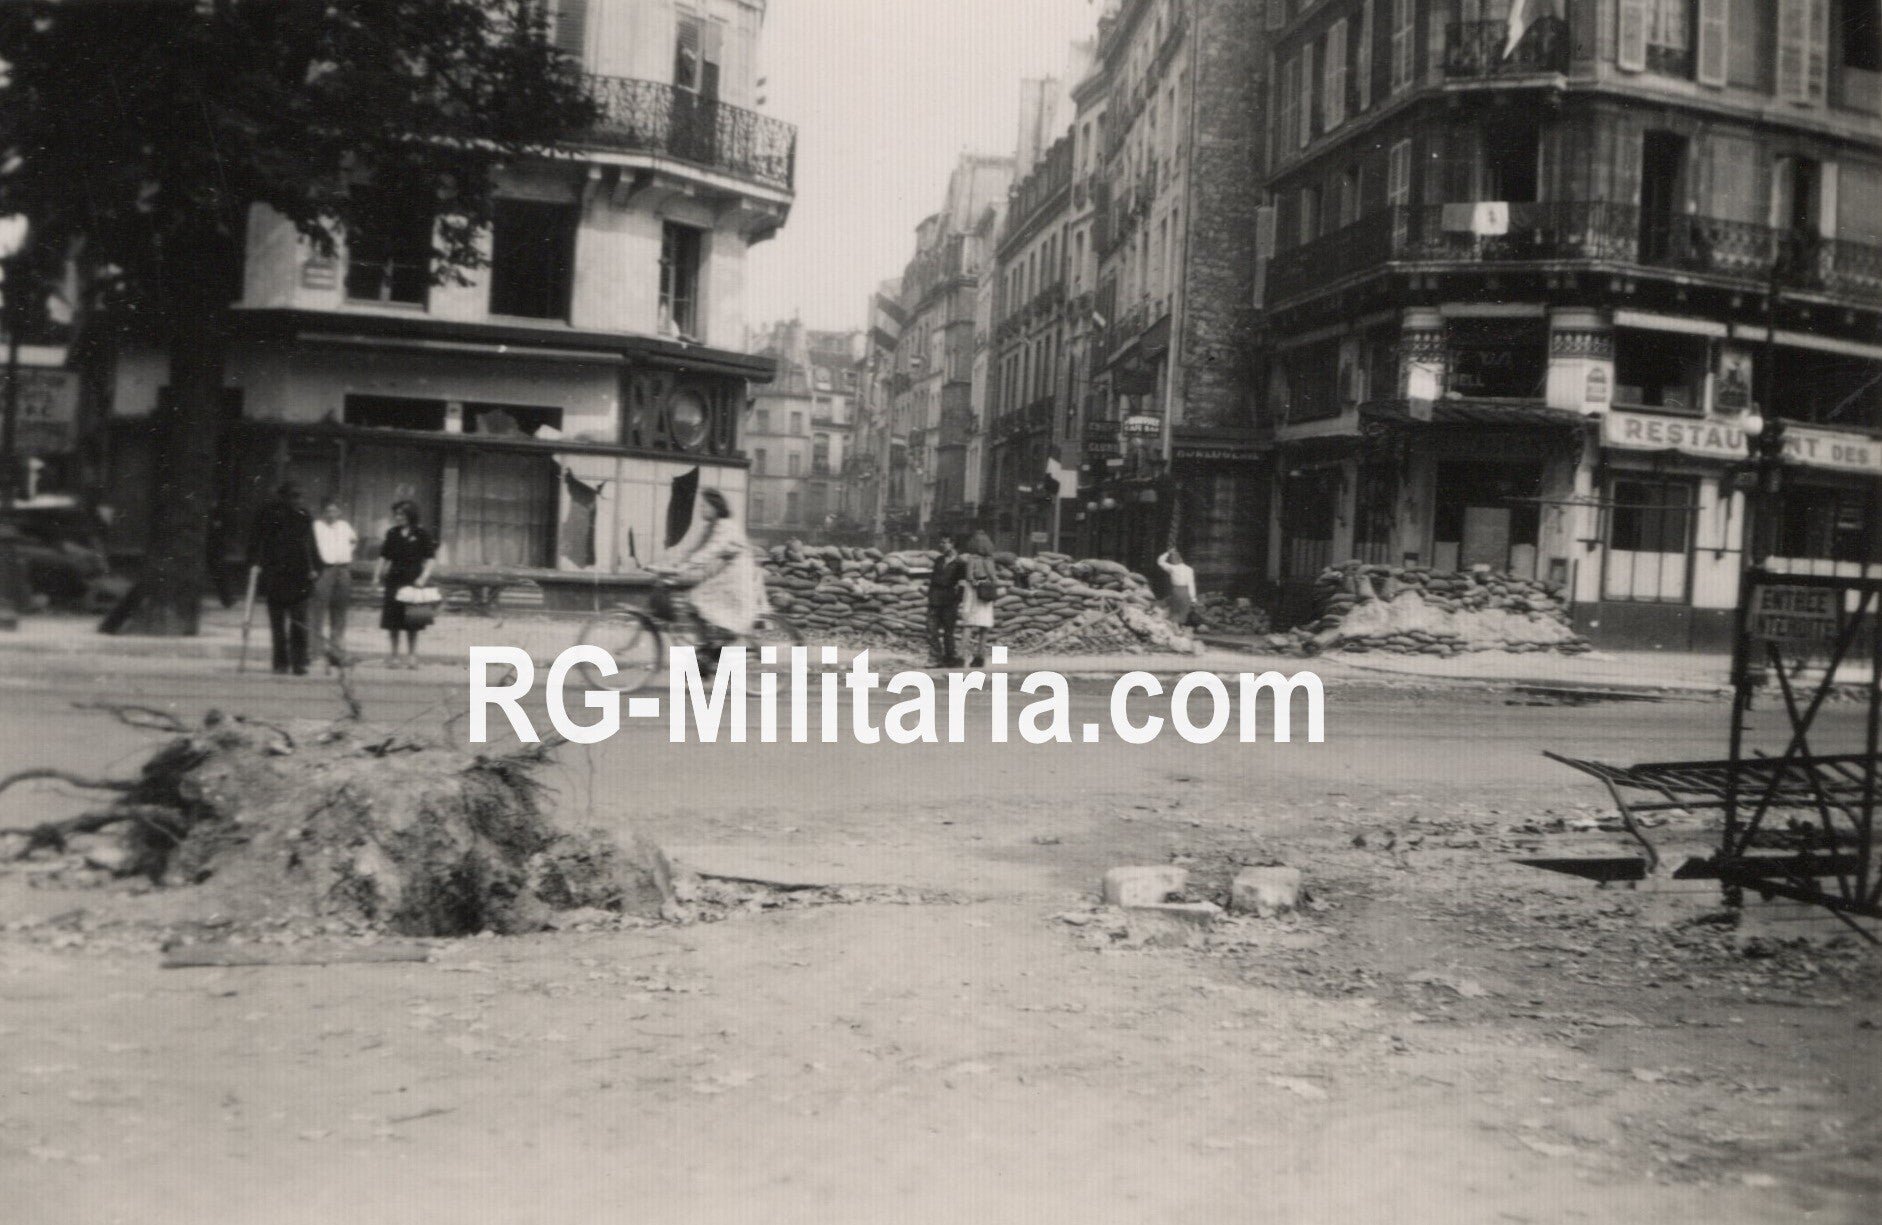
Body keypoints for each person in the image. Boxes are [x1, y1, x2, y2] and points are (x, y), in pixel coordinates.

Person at [674, 488, 759, 677]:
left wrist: (685, 567)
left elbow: (712, 550)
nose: (701, 510)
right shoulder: (710, 527)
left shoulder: (725, 525)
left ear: (715, 507)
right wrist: (673, 563)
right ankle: (711, 650)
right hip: (726, 573)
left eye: (704, 506)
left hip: (736, 575)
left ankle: (713, 652)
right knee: (697, 604)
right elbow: (695, 548)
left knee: (697, 599)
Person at [247, 482, 320, 675]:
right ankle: (280, 663)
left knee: (299, 621)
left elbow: (310, 544)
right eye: (294, 496)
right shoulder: (269, 515)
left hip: (299, 577)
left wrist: (314, 568)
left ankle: (299, 662)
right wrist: (255, 563)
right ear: (284, 497)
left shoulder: (304, 516)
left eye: (300, 496)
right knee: (278, 624)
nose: (298, 500)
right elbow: (256, 540)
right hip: (276, 576)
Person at [373, 500, 437, 669]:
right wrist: (376, 575)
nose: (398, 517)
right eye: (396, 514)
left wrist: (423, 578)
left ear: (410, 515)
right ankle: (394, 655)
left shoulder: (422, 534)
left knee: (413, 621)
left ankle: (412, 656)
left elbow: (430, 559)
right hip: (394, 580)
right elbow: (383, 557)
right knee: (392, 621)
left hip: (414, 581)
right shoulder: (392, 533)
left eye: (402, 514)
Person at [310, 499, 358, 668]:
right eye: (328, 511)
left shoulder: (344, 526)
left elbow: (353, 541)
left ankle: (336, 651)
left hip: (343, 569)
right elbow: (311, 548)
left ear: (339, 512)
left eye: (334, 511)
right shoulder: (316, 526)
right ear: (323, 512)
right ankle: (315, 651)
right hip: (325, 569)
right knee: (318, 609)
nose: (331, 514)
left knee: (340, 610)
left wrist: (347, 553)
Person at [956, 531, 999, 669]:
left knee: (968, 625)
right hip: (986, 594)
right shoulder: (990, 560)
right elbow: (994, 578)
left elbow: (969, 577)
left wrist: (975, 581)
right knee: (984, 627)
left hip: (973, 593)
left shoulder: (971, 559)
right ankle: (980, 657)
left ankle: (961, 656)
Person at [925, 534, 965, 668]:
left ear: (952, 544)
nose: (942, 545)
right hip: (935, 598)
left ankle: (950, 658)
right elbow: (932, 579)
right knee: (931, 630)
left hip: (949, 600)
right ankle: (935, 658)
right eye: (941, 542)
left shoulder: (960, 563)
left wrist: (957, 601)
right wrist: (930, 595)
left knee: (949, 632)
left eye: (945, 542)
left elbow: (962, 584)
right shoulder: (939, 560)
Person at [1158, 547, 1198, 627]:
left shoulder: (1172, 568)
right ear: (1181, 559)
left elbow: (1160, 562)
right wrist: (1193, 599)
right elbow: (1191, 584)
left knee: (1175, 611)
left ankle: (1175, 628)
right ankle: (1181, 627)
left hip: (1176, 591)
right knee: (1184, 611)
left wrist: (1167, 553)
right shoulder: (1189, 569)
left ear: (1173, 561)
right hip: (1186, 591)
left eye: (1172, 560)